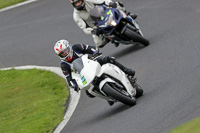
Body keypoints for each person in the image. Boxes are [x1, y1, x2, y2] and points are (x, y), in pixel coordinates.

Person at [54, 39, 135, 105]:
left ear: (69, 47)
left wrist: (95, 53)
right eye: (62, 54)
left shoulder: (76, 47)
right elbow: (68, 78)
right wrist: (74, 85)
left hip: (91, 61)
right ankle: (107, 94)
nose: (65, 54)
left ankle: (126, 70)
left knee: (108, 59)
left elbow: (90, 48)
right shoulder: (64, 65)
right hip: (85, 75)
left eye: (65, 51)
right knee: (89, 93)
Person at [69, 0, 137, 48]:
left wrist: (110, 3)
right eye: (76, 3)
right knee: (99, 44)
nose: (78, 4)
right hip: (96, 25)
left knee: (118, 4)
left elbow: (102, 0)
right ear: (73, 5)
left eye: (78, 2)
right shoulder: (76, 16)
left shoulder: (88, 0)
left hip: (104, 13)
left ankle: (127, 15)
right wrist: (94, 31)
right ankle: (110, 38)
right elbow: (84, 28)